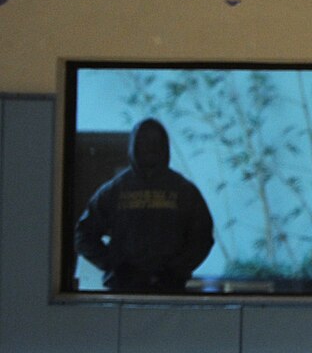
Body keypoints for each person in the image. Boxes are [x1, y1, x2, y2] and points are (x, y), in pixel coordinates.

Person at [74, 118, 214, 294]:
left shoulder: (185, 192)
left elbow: (202, 238)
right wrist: (116, 265)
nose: (150, 149)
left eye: (156, 143)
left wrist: (174, 271)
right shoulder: (113, 191)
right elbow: (83, 235)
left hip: (170, 291)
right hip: (122, 291)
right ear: (133, 146)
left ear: (165, 147)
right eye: (143, 143)